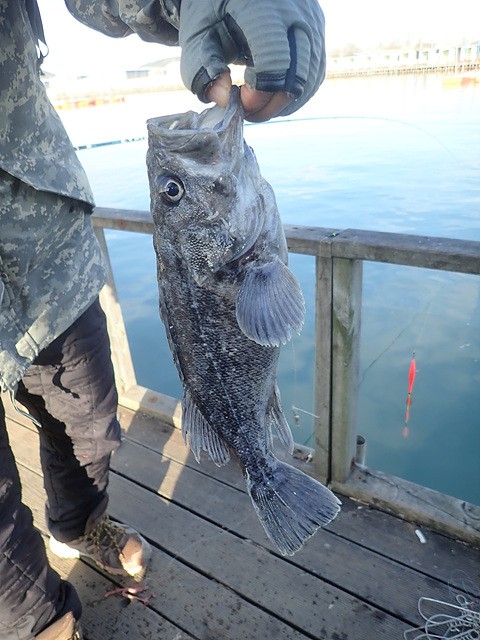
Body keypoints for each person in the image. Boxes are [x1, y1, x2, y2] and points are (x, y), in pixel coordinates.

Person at [0, 1, 326, 638]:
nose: (173, 191)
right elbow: (275, 314)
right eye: (173, 192)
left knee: (90, 418)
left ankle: (79, 525)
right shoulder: (236, 254)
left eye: (171, 193)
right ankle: (36, 619)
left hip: (43, 247)